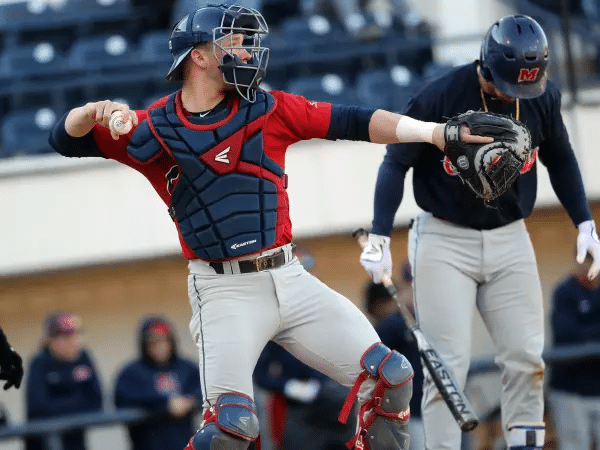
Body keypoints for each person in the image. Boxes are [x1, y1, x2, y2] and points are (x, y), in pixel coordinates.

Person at [48, 4, 494, 449]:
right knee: (230, 429)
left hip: (290, 277)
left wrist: (435, 133)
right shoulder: (153, 126)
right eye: (234, 43)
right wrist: (90, 112)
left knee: (391, 375)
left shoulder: (270, 108)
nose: (247, 52)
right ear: (199, 56)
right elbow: (63, 140)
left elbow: (356, 120)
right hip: (223, 291)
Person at [359, 13, 600, 450]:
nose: (514, 94)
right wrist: (379, 234)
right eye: (508, 83)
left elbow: (560, 157)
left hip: (511, 235)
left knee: (526, 359)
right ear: (485, 67)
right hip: (445, 239)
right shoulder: (441, 95)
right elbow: (395, 162)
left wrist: (583, 220)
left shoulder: (539, 99)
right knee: (445, 367)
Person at [114, 316, 202, 450]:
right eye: (153, 342)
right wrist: (164, 405)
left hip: (184, 443)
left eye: (164, 341)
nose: (159, 346)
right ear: (144, 344)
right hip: (147, 443)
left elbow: (205, 390)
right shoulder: (131, 373)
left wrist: (190, 401)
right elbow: (122, 400)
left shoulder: (186, 367)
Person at [364, 262, 425, 450]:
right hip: (409, 412)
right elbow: (371, 369)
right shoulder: (393, 325)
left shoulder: (431, 321)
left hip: (438, 407)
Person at [25, 311, 103, 450]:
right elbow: (38, 408)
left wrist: (60, 405)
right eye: (65, 337)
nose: (72, 341)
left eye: (75, 335)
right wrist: (78, 401)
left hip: (75, 441)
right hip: (43, 443)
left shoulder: (83, 357)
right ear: (50, 340)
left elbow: (97, 401)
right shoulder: (40, 363)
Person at [548, 250, 600, 450]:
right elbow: (567, 334)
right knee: (574, 446)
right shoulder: (565, 292)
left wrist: (587, 334)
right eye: (587, 259)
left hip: (598, 386)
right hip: (570, 391)